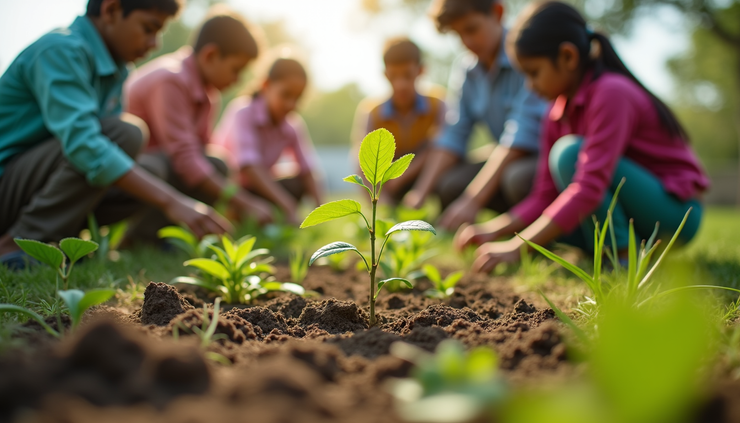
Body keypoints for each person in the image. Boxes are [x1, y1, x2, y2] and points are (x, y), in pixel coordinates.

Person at [456, 1, 710, 273]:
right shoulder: (556, 113)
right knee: (556, 220)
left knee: (569, 154)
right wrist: (494, 231)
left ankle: (621, 257)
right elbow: (544, 196)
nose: (530, 86)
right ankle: (613, 248)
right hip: (633, 214)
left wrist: (515, 249)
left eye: (534, 73)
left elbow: (589, 186)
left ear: (568, 56)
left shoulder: (611, 93)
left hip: (674, 213)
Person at [0, 0, 233, 269]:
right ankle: (16, 245)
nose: (155, 43)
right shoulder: (61, 49)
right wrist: (172, 201)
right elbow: (85, 145)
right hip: (8, 182)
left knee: (149, 169)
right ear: (111, 11)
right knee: (125, 134)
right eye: (148, 28)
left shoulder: (116, 70)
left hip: (36, 184)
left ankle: (66, 241)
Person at [125, 6, 273, 242]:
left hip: (164, 164)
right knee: (163, 167)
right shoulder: (171, 79)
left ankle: (177, 236)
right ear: (210, 56)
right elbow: (185, 158)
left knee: (217, 164)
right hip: (135, 168)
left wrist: (233, 196)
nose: (237, 80)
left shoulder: (207, 95)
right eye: (236, 70)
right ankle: (140, 239)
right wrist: (245, 202)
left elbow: (201, 153)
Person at [403, 0, 547, 232]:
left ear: (498, 13)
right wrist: (420, 193)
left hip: (537, 157)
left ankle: (531, 228)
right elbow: (453, 134)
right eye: (459, 35)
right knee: (449, 183)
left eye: (471, 29)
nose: (467, 42)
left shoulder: (526, 57)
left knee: (517, 178)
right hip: (504, 155)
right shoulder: (467, 71)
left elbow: (519, 137)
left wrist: (472, 200)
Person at [211, 53, 322, 225]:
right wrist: (289, 206)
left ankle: (266, 215)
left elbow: (307, 169)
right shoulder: (244, 112)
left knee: (296, 183)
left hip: (260, 188)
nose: (291, 104)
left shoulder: (292, 125)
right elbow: (249, 166)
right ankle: (240, 214)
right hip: (230, 188)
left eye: (298, 98)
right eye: (286, 95)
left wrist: (321, 212)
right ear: (266, 86)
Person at [351, 37, 446, 203]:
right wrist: (380, 202)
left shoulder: (437, 104)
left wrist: (403, 178)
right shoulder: (372, 111)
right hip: (388, 182)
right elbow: (361, 159)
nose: (401, 84)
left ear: (421, 70)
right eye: (394, 76)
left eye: (407, 75)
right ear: (385, 74)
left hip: (424, 174)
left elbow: (441, 149)